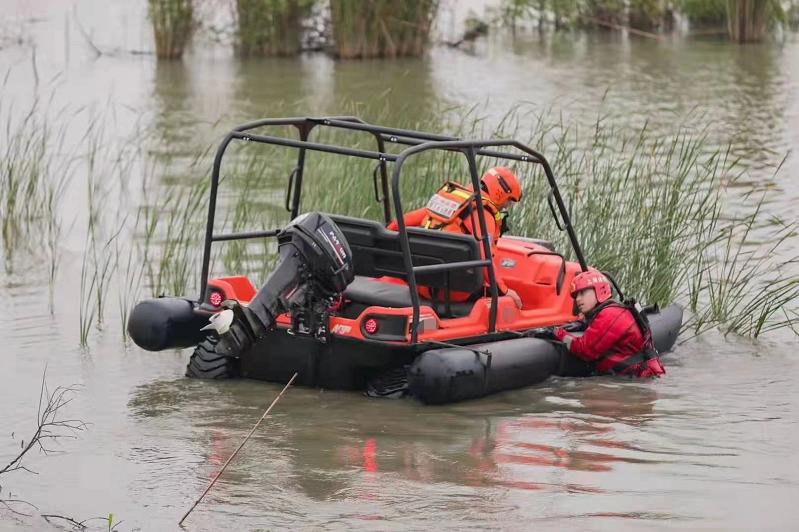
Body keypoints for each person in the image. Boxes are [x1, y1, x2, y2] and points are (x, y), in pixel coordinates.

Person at [387, 167, 523, 308]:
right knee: (506, 300)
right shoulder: (484, 216)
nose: (506, 206)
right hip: (454, 292)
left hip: (421, 284)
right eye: (509, 201)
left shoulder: (454, 202)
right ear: (500, 193)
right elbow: (485, 258)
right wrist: (505, 291)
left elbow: (398, 223)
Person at [549, 270, 665, 378]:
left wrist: (557, 332)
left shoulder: (610, 314)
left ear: (599, 290)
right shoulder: (613, 311)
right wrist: (581, 323)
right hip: (633, 376)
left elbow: (585, 350)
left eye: (582, 293)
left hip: (638, 379)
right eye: (576, 295)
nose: (578, 299)